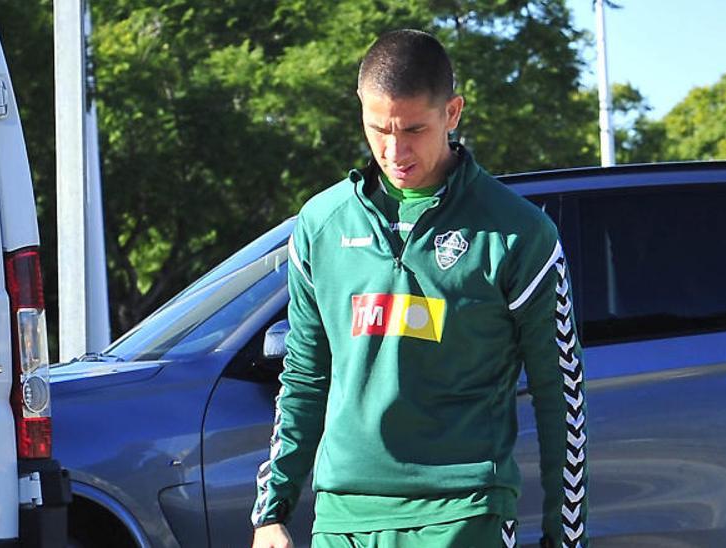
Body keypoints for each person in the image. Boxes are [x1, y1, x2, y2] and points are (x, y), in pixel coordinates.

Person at [251, 29, 587, 548]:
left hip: (464, 513)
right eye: (377, 129)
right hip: (343, 519)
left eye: (413, 129)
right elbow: (304, 375)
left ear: (453, 113)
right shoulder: (320, 224)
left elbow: (559, 394)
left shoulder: (519, 233)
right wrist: (271, 512)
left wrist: (565, 538)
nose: (394, 150)